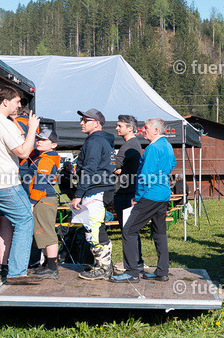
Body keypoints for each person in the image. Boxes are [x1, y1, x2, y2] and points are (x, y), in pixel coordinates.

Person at [111, 118, 177, 282]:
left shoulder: (153, 148)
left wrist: (137, 198)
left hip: (150, 195)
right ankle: (162, 271)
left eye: (146, 128)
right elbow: (172, 163)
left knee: (129, 230)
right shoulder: (167, 146)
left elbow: (144, 176)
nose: (143, 131)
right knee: (159, 232)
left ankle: (132, 272)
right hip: (163, 195)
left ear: (156, 130)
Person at [0, 86, 40, 284]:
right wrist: (32, 128)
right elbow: (24, 152)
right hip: (7, 184)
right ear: (5, 102)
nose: (19, 106)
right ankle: (16, 273)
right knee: (25, 221)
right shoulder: (3, 123)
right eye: (17, 102)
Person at [72, 109, 117, 280]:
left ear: (96, 123)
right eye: (81, 120)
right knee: (97, 228)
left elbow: (89, 169)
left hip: (95, 190)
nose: (81, 123)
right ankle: (104, 266)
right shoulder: (102, 141)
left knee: (94, 230)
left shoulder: (95, 141)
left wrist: (79, 193)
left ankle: (104, 269)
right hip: (101, 188)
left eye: (85, 120)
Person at [24, 127, 62, 279]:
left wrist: (32, 202)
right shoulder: (43, 158)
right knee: (44, 232)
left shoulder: (46, 160)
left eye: (44, 140)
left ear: (53, 145)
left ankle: (52, 268)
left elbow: (40, 183)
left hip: (43, 199)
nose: (39, 142)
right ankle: (48, 264)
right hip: (44, 199)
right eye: (38, 139)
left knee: (47, 233)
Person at [113, 115, 144, 271]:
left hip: (126, 193)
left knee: (128, 231)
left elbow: (115, 168)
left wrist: (117, 169)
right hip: (129, 192)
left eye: (120, 125)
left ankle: (132, 263)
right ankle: (136, 261)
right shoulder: (134, 144)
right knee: (130, 230)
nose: (117, 128)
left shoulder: (128, 147)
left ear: (130, 128)